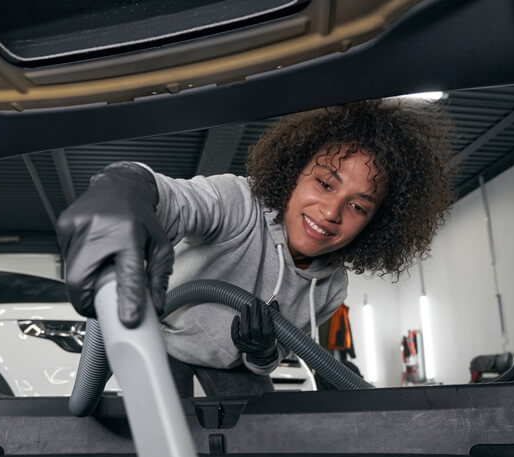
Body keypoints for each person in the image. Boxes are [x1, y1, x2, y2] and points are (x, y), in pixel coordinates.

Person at [55, 99, 454, 397]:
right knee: (164, 435)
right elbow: (175, 199)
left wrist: (261, 351)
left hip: (231, 366)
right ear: (294, 172)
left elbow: (267, 360)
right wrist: (126, 188)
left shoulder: (331, 288)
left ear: (376, 223)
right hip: (161, 339)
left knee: (263, 441)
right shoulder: (238, 202)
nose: (331, 211)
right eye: (325, 184)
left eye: (357, 206)